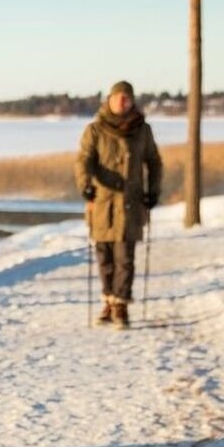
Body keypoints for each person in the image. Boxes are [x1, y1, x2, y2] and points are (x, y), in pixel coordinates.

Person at [74, 80, 163, 329]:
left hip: (130, 203)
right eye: (118, 98)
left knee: (125, 257)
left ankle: (121, 305)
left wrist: (153, 191)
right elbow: (83, 160)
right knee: (105, 257)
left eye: (127, 98)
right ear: (110, 100)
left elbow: (154, 162)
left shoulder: (142, 130)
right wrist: (86, 185)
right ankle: (108, 301)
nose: (122, 102)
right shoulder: (95, 130)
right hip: (102, 203)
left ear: (132, 101)